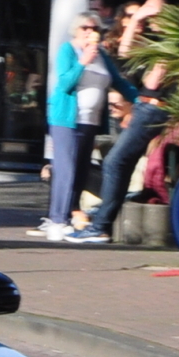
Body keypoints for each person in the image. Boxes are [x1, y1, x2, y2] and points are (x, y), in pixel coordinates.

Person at [65, 0, 170, 246]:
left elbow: (155, 80)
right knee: (121, 164)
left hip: (152, 108)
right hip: (145, 106)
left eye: (151, 16)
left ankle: (101, 226)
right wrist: (136, 19)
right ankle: (102, 224)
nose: (149, 22)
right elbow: (124, 51)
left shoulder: (172, 40)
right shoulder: (154, 39)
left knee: (114, 162)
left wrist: (143, 16)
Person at [44, 16, 133, 240]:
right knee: (66, 168)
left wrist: (139, 99)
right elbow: (64, 83)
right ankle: (56, 220)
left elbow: (117, 81)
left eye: (94, 28)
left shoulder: (101, 54)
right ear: (76, 30)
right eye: (85, 28)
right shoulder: (69, 50)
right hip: (66, 118)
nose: (90, 32)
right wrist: (83, 61)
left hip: (90, 121)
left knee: (81, 169)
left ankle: (70, 214)